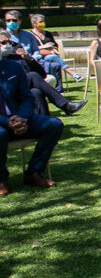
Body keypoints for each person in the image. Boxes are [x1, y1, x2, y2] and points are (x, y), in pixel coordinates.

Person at [0, 55, 63, 196]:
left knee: (54, 125)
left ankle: (34, 172)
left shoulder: (13, 67)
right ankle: (1, 179)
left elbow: (27, 97)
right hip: (2, 122)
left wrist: (22, 118)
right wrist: (7, 122)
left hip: (19, 117)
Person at [1, 31, 85, 116]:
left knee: (36, 92)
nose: (7, 45)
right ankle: (65, 105)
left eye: (9, 42)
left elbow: (42, 74)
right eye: (3, 43)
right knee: (32, 75)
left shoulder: (17, 56)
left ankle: (45, 123)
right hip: (6, 90)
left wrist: (29, 59)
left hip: (22, 89)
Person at [29, 14, 83, 90]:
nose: (43, 23)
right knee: (53, 57)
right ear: (34, 23)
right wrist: (45, 47)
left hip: (51, 55)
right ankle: (72, 73)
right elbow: (32, 48)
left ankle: (59, 88)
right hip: (40, 57)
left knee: (54, 61)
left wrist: (54, 49)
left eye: (43, 21)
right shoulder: (30, 35)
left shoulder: (47, 34)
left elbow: (55, 44)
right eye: (40, 21)